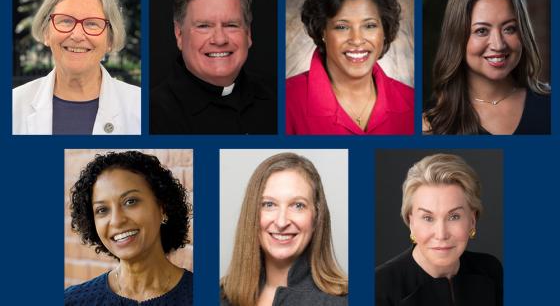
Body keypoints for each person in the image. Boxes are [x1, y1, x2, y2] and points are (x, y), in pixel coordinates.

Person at [286, 0, 414, 135]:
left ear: (384, 31)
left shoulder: (411, 100)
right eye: (342, 27)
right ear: (323, 31)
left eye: (369, 26)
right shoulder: (287, 100)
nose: (356, 39)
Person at [423, 0, 550, 135]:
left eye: (509, 29)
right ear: (457, 37)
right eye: (482, 31)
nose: (498, 44)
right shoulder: (430, 124)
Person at [150, 0, 276, 134]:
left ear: (248, 33)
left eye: (231, 25)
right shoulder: (152, 113)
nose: (219, 39)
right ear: (179, 34)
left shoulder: (280, 97)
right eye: (204, 26)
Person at [13, 0, 140, 135]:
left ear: (110, 39)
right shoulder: (13, 105)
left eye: (92, 24)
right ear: (46, 33)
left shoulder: (140, 106)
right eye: (66, 21)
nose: (77, 35)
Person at [65, 151, 193, 305]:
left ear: (162, 207)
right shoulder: (72, 301)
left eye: (130, 201)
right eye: (102, 210)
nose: (117, 221)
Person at [221, 152, 348, 306]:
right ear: (251, 215)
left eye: (298, 205)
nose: (282, 222)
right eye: (269, 204)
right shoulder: (220, 296)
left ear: (316, 218)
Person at [376, 153, 503, 306]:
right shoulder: (378, 286)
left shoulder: (490, 270)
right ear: (411, 222)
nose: (441, 234)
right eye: (428, 218)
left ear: (472, 220)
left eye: (454, 216)